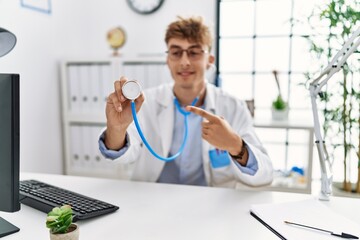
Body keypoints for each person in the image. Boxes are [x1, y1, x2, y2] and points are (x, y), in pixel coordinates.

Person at [99, 16, 273, 188]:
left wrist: (235, 145)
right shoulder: (146, 102)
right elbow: (123, 156)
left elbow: (264, 176)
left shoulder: (232, 107)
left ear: (209, 61)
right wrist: (116, 130)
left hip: (209, 206)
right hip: (152, 200)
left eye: (194, 52)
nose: (184, 62)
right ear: (168, 60)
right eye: (176, 53)